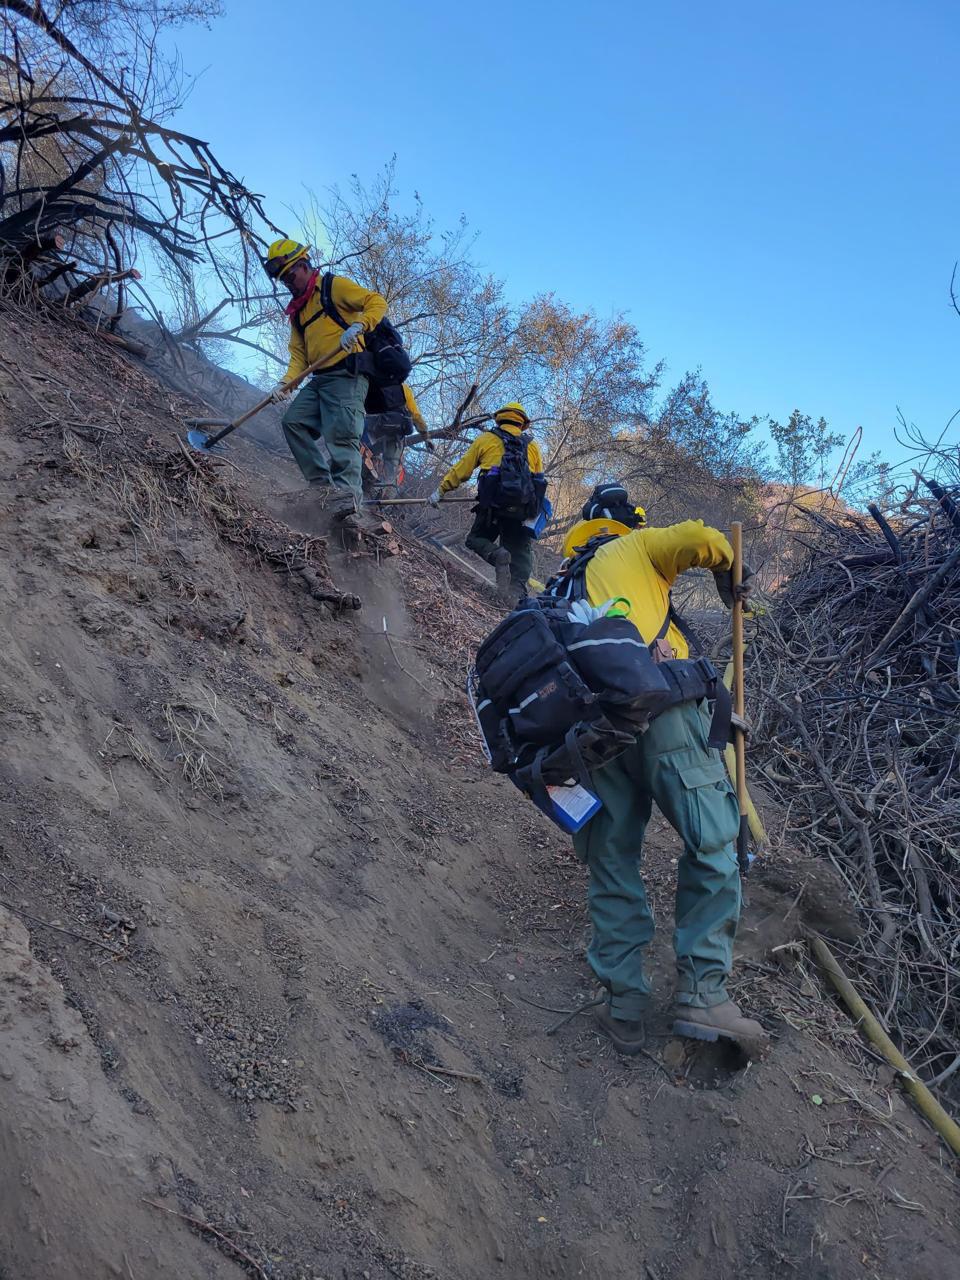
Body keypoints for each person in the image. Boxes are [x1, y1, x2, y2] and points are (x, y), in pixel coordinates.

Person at [553, 500, 764, 1056]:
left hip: (593, 735)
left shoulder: (560, 587)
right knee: (714, 841)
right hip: (663, 712)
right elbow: (700, 532)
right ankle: (702, 994)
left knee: (612, 859)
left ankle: (623, 1006)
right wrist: (729, 572)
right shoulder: (635, 547)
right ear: (623, 529)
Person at [264, 239, 388, 521]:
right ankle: (323, 490)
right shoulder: (297, 312)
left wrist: (359, 324)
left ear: (304, 266)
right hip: (319, 379)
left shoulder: (333, 286)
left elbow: (376, 301)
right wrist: (285, 385)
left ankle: (349, 509)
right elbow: (298, 358)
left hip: (347, 375)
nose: (289, 284)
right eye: (283, 281)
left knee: (341, 438)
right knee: (293, 422)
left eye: (291, 276)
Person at [430, 403, 546, 601]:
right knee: (520, 558)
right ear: (522, 423)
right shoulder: (533, 446)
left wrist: (441, 490)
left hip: (492, 508)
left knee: (474, 539)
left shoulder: (486, 439)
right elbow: (538, 481)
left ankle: (497, 555)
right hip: (520, 512)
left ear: (499, 418)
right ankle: (512, 600)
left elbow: (462, 470)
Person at [361, 382, 432, 498]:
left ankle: (357, 483)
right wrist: (426, 438)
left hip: (374, 428)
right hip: (396, 434)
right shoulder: (404, 389)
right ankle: (377, 498)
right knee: (390, 469)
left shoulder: (374, 381)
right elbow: (416, 415)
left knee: (361, 450)